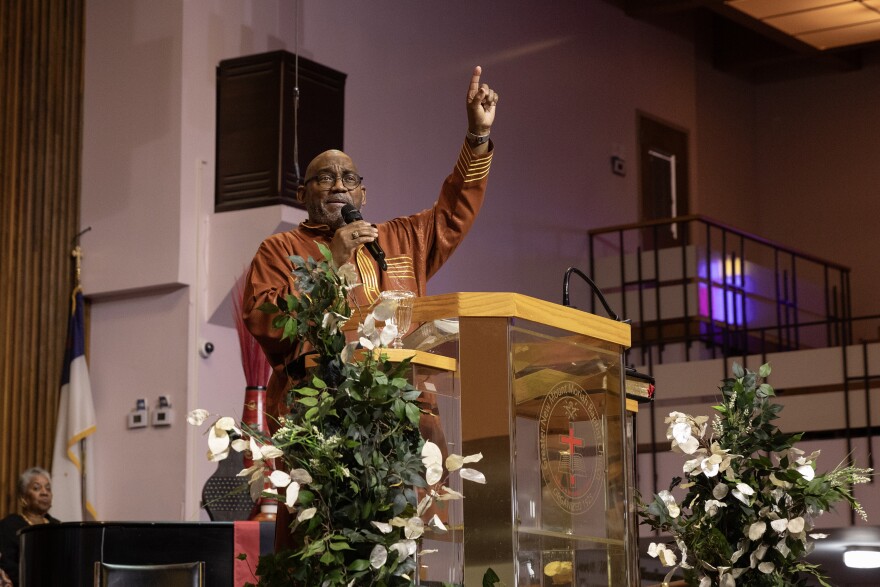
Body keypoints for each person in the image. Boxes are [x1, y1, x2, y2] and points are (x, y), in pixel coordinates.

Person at [243, 65, 499, 422]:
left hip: (406, 410)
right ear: (302, 194)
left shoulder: (401, 238)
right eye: (325, 178)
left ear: (363, 193)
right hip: (325, 412)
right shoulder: (278, 250)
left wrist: (477, 136)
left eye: (348, 178)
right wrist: (332, 260)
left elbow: (454, 212)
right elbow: (264, 322)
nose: (338, 186)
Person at [0, 468, 60, 586]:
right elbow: (7, 565)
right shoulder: (9, 525)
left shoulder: (57, 526)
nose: (44, 492)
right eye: (36, 488)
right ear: (23, 497)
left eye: (48, 488)